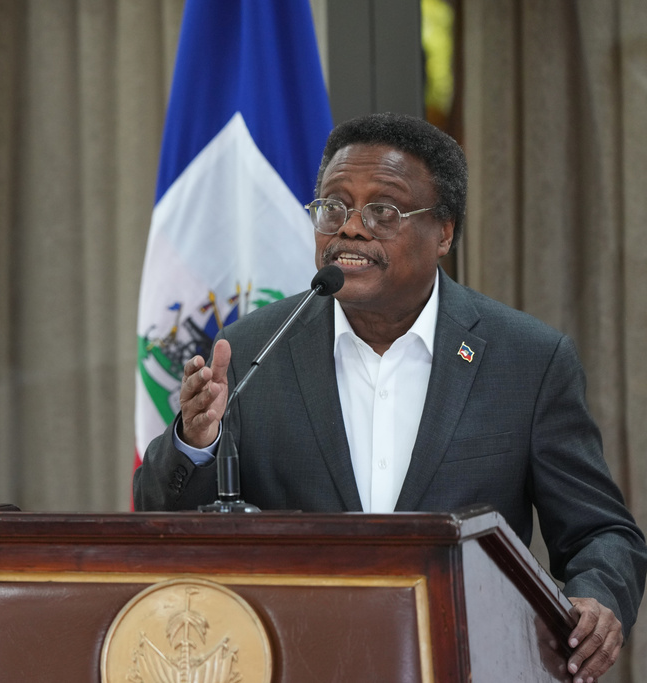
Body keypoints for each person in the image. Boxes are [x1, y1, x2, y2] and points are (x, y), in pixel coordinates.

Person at [134, 112, 646, 683]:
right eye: (333, 206)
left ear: (444, 232)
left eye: (384, 211)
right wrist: (195, 442)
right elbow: (161, 519)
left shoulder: (525, 360)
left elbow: (601, 533)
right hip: (299, 664)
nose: (350, 228)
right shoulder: (255, 349)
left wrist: (598, 597)